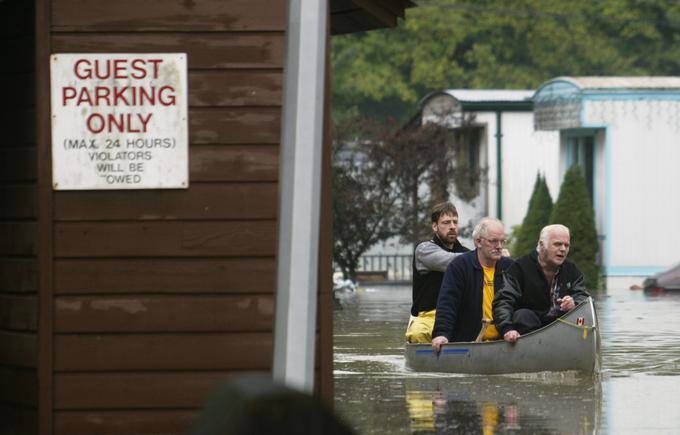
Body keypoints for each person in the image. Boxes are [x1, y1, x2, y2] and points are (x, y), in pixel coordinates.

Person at [493, 224, 590, 344]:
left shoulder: (572, 270)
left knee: (580, 317)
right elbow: (503, 301)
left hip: (561, 328)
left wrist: (574, 304)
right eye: (558, 244)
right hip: (528, 330)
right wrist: (507, 329)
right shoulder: (519, 268)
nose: (563, 249)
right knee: (522, 315)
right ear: (541, 245)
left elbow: (584, 298)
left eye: (566, 245)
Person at [431, 218, 513, 352]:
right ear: (478, 242)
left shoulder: (509, 267)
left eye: (502, 241)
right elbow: (447, 304)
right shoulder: (459, 266)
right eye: (493, 241)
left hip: (505, 341)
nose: (499, 246)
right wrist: (441, 334)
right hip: (468, 343)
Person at [405, 202, 469, 343]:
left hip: (458, 316)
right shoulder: (424, 250)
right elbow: (450, 262)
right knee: (417, 334)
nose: (452, 226)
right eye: (446, 222)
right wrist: (485, 255)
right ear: (435, 226)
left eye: (455, 222)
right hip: (428, 316)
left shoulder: (468, 254)